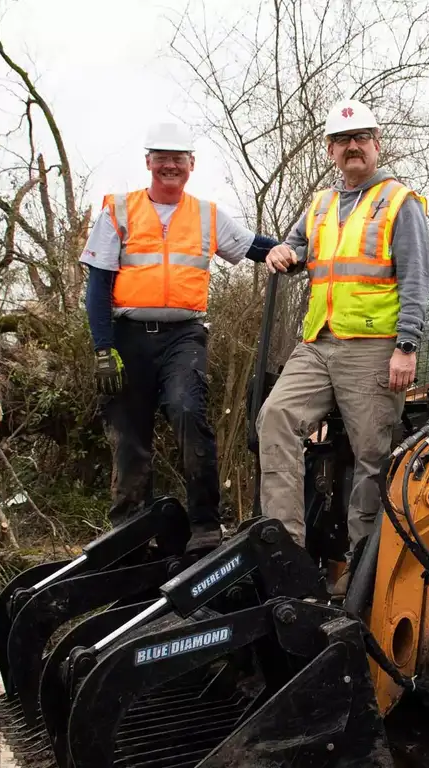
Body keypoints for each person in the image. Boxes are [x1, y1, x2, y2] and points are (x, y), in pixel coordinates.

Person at [80, 121, 280, 553]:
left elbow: (253, 247)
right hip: (127, 335)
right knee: (130, 435)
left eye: (178, 159)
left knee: (188, 411)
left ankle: (205, 525)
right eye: (161, 158)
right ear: (148, 162)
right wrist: (102, 348)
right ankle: (129, 530)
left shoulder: (206, 215)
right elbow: (97, 284)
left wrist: (295, 250)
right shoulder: (118, 210)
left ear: (191, 165)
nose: (169, 166)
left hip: (183, 336)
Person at [257, 98, 429, 582]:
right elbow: (294, 244)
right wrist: (284, 253)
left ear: (376, 145)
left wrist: (407, 346)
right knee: (275, 417)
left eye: (360, 139)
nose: (352, 147)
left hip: (374, 349)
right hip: (318, 341)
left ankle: (363, 572)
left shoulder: (400, 202)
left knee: (371, 458)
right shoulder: (320, 204)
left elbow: (416, 279)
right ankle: (285, 550)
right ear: (330, 151)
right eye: (341, 141)